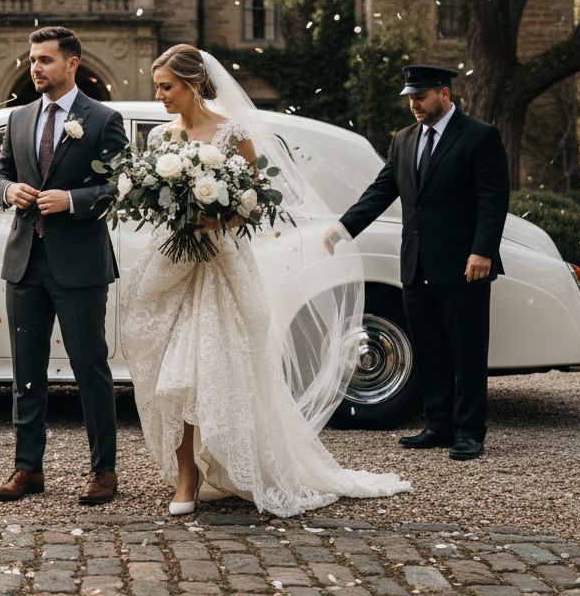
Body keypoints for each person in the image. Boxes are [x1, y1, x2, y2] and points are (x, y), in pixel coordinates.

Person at [120, 44, 410, 516]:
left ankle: (226, 466)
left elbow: (254, 198)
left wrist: (218, 220)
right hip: (173, 262)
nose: (160, 96)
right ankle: (186, 474)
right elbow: (155, 204)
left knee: (208, 364)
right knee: (167, 371)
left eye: (167, 86)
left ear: (193, 84)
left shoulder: (232, 133)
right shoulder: (159, 140)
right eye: (157, 87)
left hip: (220, 266)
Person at [326, 65, 510, 461]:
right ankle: (439, 425)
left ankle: (469, 432)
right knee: (430, 349)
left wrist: (483, 251)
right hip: (416, 265)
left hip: (465, 265)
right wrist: (342, 229)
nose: (413, 105)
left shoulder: (480, 137)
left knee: (467, 352)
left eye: (420, 97)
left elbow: (494, 201)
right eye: (410, 97)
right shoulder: (404, 140)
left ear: (444, 94)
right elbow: (381, 191)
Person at [0, 26, 129, 505]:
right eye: (32, 60)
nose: (35, 68)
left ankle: (103, 471)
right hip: (25, 262)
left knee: (90, 368)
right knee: (26, 372)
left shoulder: (104, 119)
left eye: (45, 60)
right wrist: (8, 191)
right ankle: (27, 469)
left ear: (72, 64)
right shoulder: (18, 118)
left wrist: (71, 199)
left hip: (80, 265)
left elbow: (121, 187)